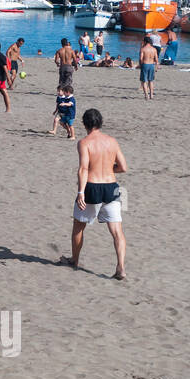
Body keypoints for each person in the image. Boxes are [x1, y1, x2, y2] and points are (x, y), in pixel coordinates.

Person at [60, 108, 128, 280]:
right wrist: (107, 168)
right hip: (112, 187)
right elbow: (123, 167)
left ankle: (74, 260)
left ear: (84, 124)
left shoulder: (84, 143)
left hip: (92, 186)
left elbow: (83, 168)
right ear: (100, 122)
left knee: (78, 226)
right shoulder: (112, 141)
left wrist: (80, 192)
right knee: (117, 231)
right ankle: (121, 267)